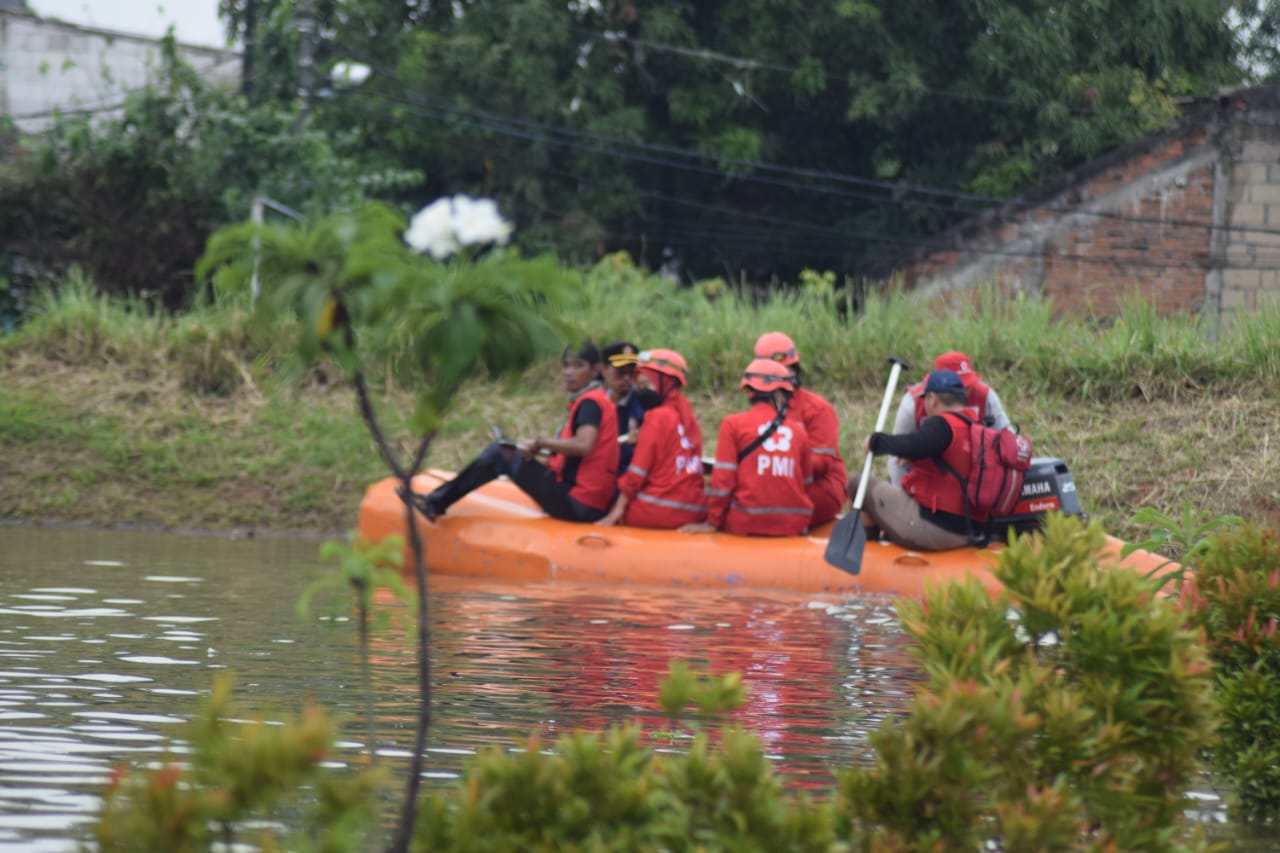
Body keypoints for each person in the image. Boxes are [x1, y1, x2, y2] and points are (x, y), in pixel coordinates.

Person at [406, 341, 619, 523]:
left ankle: (434, 504)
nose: (569, 373)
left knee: (500, 454)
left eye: (578, 366)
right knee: (507, 452)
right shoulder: (598, 399)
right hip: (587, 501)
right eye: (565, 366)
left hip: (579, 503)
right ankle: (436, 500)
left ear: (596, 370)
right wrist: (539, 451)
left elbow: (584, 445)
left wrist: (540, 442)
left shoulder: (590, 403)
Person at [849, 369, 982, 551]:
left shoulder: (942, 425)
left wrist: (875, 441)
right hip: (971, 529)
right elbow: (947, 459)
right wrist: (914, 458)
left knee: (858, 485)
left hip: (937, 530)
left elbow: (912, 443)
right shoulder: (976, 426)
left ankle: (865, 554)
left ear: (932, 399)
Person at [681, 359, 813, 537]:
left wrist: (712, 521)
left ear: (749, 393)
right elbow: (806, 483)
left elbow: (723, 481)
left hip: (745, 523)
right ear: (778, 395)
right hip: (792, 526)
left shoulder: (732, 424)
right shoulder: (798, 431)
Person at [597, 349, 707, 528]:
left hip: (658, 510)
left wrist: (618, 509)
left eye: (648, 384)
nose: (643, 392)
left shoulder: (657, 416)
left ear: (665, 382)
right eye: (640, 386)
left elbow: (637, 473)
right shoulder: (687, 415)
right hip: (694, 509)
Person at [752, 332, 847, 525]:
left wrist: (781, 466)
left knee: (766, 504)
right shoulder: (757, 411)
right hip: (775, 483)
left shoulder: (817, 409)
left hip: (819, 487)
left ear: (793, 371)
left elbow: (822, 463)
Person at [888, 351, 1011, 486]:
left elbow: (1009, 439)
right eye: (958, 387)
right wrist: (900, 493)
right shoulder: (913, 403)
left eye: (967, 386)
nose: (963, 393)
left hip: (974, 470)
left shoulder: (985, 396)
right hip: (926, 472)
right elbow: (896, 456)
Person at [600, 340, 645, 471]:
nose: (626, 378)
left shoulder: (643, 404)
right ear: (604, 370)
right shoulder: (594, 402)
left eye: (631, 373)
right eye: (620, 372)